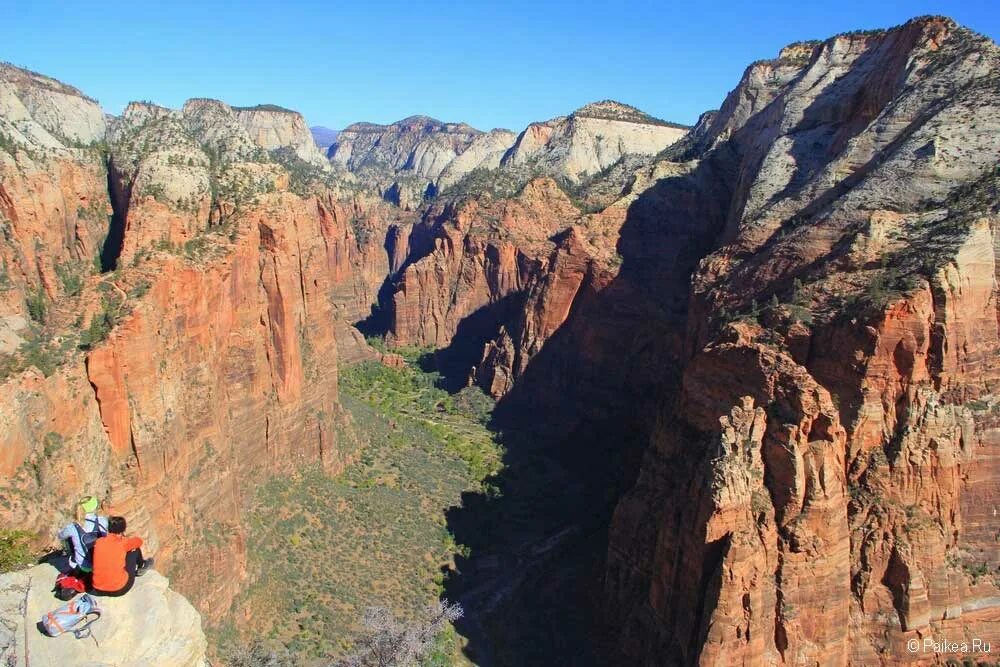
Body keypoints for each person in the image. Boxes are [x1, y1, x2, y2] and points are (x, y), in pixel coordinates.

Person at [90, 516, 153, 597]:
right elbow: (139, 541)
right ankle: (142, 565)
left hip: (98, 590)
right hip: (120, 589)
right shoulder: (124, 542)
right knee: (134, 550)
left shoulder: (99, 542)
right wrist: (126, 538)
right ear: (123, 529)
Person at [56, 496, 109, 573]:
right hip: (101, 563)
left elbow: (60, 536)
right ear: (95, 507)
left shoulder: (73, 527)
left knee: (68, 539)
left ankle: (73, 560)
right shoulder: (102, 521)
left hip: (84, 567)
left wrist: (60, 531)